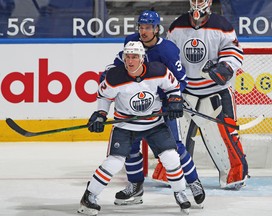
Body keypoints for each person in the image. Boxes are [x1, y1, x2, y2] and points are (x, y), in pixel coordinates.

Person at [102, 9, 205, 206]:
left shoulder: (167, 50)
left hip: (162, 108)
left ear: (157, 29)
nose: (144, 31)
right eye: (141, 27)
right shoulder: (131, 42)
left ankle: (193, 183)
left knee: (175, 147)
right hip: (136, 106)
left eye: (148, 27)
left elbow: (180, 80)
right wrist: (107, 78)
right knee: (130, 148)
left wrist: (174, 101)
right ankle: (135, 187)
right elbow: (119, 67)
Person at [78, 41, 191, 216]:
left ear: (142, 58)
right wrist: (100, 113)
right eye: (127, 57)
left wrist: (175, 100)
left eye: (135, 57)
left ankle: (180, 192)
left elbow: (173, 86)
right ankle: (89, 196)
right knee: (114, 162)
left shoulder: (158, 71)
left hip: (154, 123)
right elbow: (103, 96)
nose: (130, 61)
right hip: (125, 126)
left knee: (171, 157)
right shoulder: (114, 77)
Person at [167, 0, 248, 189]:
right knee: (176, 136)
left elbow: (234, 51)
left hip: (215, 92)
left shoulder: (222, 26)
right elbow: (169, 56)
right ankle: (172, 174)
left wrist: (224, 67)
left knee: (223, 136)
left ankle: (233, 175)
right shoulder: (177, 26)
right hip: (186, 92)